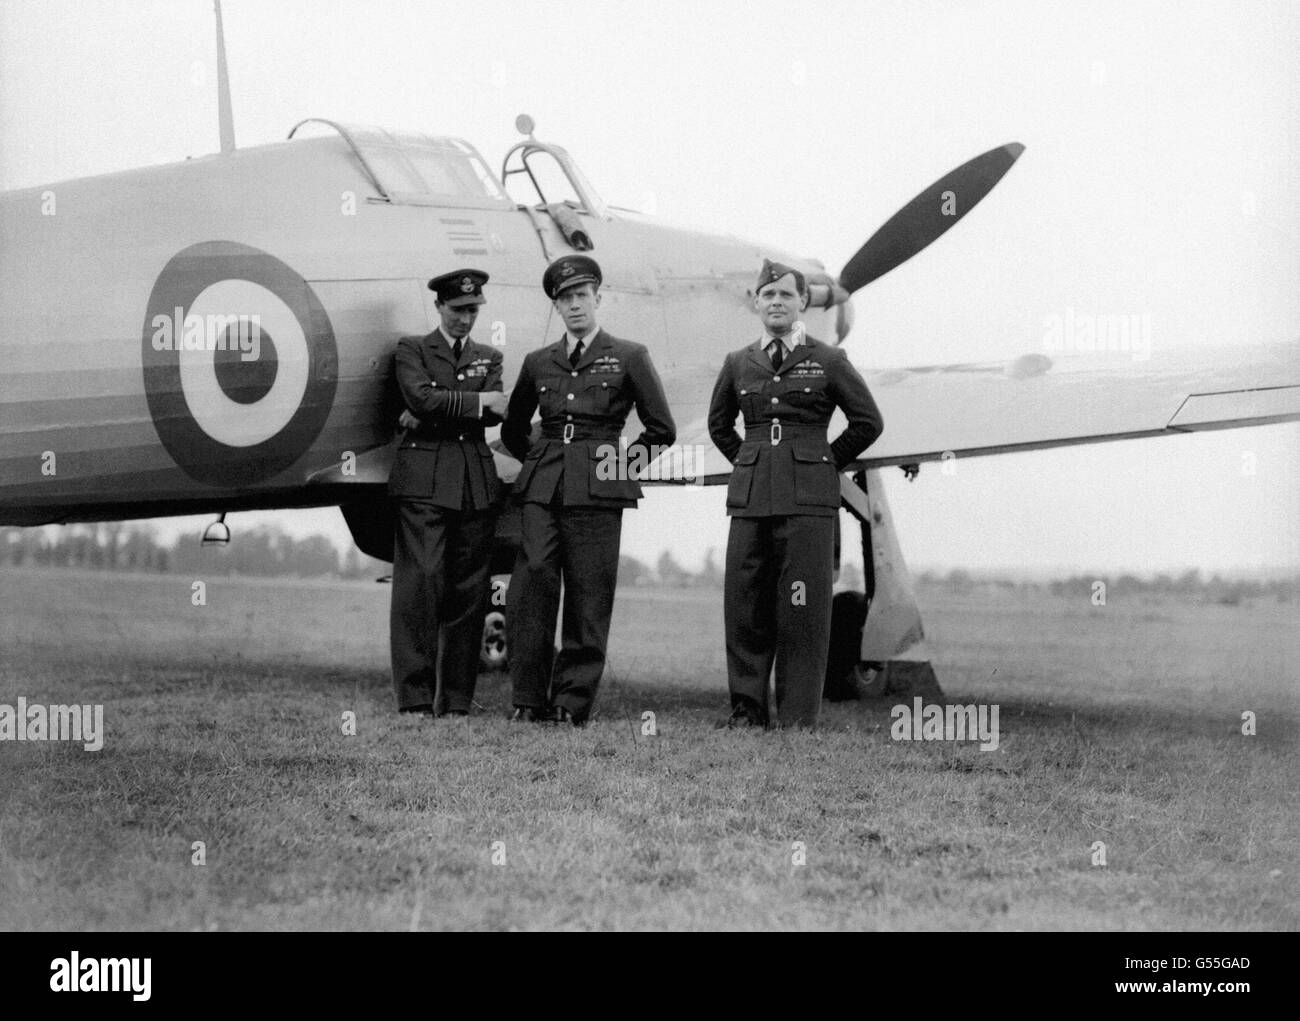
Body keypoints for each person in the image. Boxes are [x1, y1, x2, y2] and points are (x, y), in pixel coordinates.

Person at [707, 259, 883, 729]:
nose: (777, 303)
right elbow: (719, 426)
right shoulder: (738, 362)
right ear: (757, 303)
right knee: (745, 605)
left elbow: (869, 422)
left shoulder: (829, 360)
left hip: (809, 502)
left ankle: (797, 716)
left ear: (802, 302)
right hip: (751, 498)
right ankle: (746, 710)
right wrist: (749, 461)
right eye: (769, 296)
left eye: (786, 295)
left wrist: (823, 463)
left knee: (802, 608)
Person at [501, 255, 676, 726]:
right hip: (543, 488)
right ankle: (528, 698)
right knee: (531, 587)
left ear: (598, 299)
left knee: (588, 595)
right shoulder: (538, 362)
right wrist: (536, 463)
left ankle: (570, 703)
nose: (575, 305)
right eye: (565, 298)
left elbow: (661, 429)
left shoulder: (630, 356)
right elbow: (515, 427)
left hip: (599, 490)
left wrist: (617, 468)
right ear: (557, 307)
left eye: (582, 296)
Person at [388, 268, 507, 718]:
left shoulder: (489, 357)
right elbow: (422, 398)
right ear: (439, 307)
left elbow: (494, 414)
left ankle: (456, 702)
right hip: (422, 485)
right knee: (419, 589)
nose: (465, 319)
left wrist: (432, 408)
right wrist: (472, 403)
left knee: (468, 594)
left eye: (473, 310)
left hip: (475, 484)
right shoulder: (412, 349)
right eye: (457, 310)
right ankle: (416, 700)